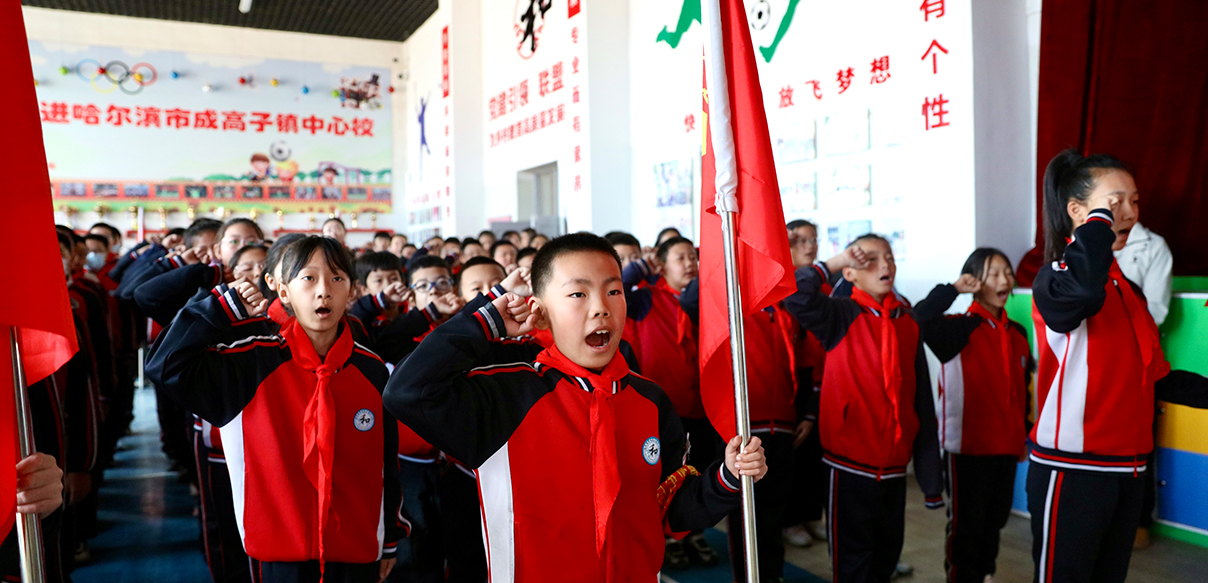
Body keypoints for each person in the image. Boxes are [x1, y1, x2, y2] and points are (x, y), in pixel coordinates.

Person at [383, 232, 766, 582]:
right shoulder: (509, 396)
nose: (601, 307)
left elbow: (668, 510)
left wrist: (727, 477)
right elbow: (407, 391)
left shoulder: (650, 401)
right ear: (539, 310)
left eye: (613, 291)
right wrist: (487, 321)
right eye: (578, 294)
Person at [147, 236, 407, 583]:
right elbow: (165, 366)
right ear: (283, 291)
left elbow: (386, 463)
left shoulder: (372, 370)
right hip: (278, 550)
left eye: (337, 278)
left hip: (356, 546)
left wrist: (389, 539)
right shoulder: (252, 363)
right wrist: (218, 309)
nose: (323, 291)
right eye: (308, 278)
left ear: (352, 291)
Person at [1027, 150, 1208, 583]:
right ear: (1077, 212)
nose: (1128, 213)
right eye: (1115, 202)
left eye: (1134, 201)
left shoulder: (1129, 292)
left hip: (1128, 469)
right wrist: (1097, 224)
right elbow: (1083, 294)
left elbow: (1156, 377)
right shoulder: (1056, 277)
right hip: (1072, 470)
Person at [784, 234, 945, 583]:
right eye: (870, 259)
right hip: (849, 464)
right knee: (852, 564)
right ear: (851, 273)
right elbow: (793, 293)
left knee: (885, 558)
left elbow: (921, 399)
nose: (885, 264)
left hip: (895, 466)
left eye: (889, 257)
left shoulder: (907, 321)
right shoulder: (840, 314)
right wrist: (836, 261)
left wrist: (930, 476)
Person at [913, 248, 1033, 583]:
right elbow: (918, 318)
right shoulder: (957, 329)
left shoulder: (1018, 333)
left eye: (1007, 272)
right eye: (993, 274)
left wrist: (1022, 435)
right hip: (968, 449)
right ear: (975, 281)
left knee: (995, 522)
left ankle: (985, 574)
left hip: (1006, 448)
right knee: (967, 526)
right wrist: (953, 289)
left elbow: (1022, 391)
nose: (1004, 280)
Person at [621, 236, 719, 569]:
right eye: (681, 258)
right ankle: (665, 538)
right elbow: (619, 290)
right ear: (661, 265)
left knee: (698, 469)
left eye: (693, 257)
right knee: (664, 474)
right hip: (662, 406)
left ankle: (695, 533)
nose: (690, 263)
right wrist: (640, 267)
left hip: (700, 404)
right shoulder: (646, 298)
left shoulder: (704, 299)